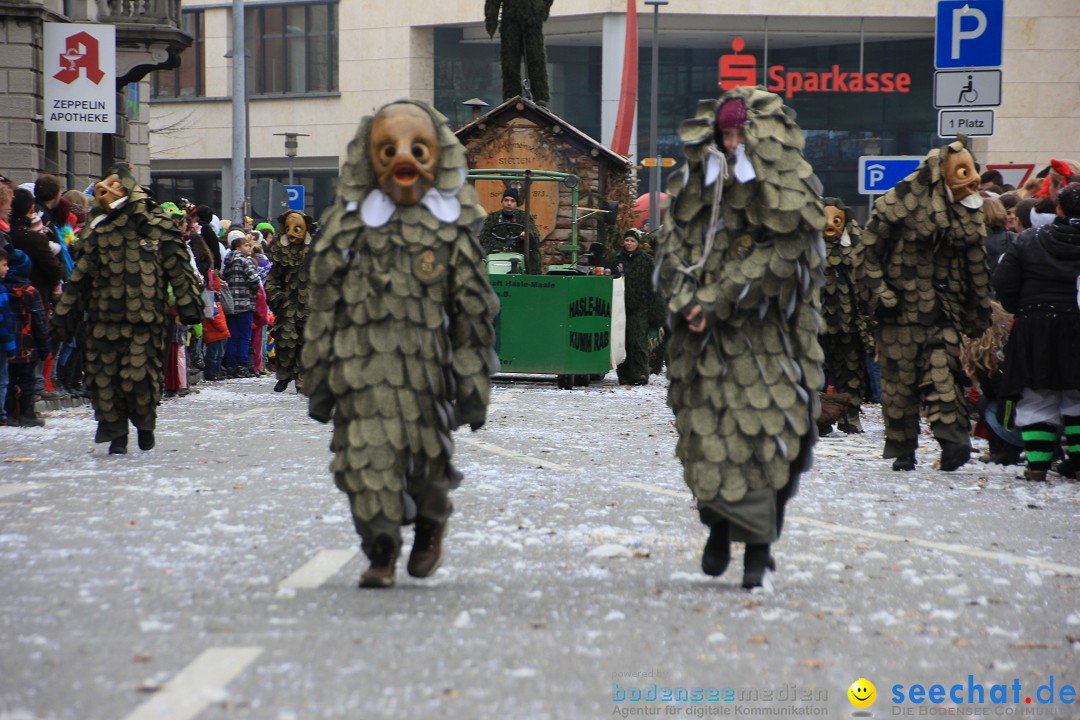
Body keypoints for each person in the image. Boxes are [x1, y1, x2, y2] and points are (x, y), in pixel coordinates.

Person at [303, 100, 499, 588]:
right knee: (363, 461)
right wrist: (318, 379)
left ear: (438, 157)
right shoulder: (347, 230)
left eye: (417, 149)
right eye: (388, 150)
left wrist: (473, 386)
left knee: (426, 462)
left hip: (425, 377)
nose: (402, 159)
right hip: (359, 376)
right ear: (370, 159)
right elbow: (324, 309)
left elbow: (473, 315)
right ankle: (381, 550)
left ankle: (430, 526)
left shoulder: (449, 232)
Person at [655, 87, 826, 589]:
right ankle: (718, 525)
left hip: (767, 339)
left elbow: (783, 255)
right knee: (708, 442)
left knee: (766, 442)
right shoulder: (697, 187)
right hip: (703, 347)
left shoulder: (791, 191)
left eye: (739, 135)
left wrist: (718, 300)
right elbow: (675, 244)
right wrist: (687, 300)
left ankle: (757, 549)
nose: (731, 145)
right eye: (724, 135)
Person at [855, 137, 991, 472]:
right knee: (899, 385)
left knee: (944, 377)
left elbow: (976, 268)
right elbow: (867, 255)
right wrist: (881, 294)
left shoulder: (970, 212)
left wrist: (977, 312)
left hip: (944, 313)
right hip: (898, 315)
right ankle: (903, 449)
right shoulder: (897, 203)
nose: (970, 179)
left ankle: (953, 440)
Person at [51, 166, 203, 454]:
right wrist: (63, 320)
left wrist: (189, 305)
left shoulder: (156, 222)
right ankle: (116, 432)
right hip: (101, 319)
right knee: (104, 379)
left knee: (139, 376)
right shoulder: (98, 225)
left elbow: (178, 267)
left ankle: (145, 423)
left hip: (144, 319)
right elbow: (80, 277)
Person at [991, 182, 1080, 481]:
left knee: (1037, 397)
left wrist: (1024, 307)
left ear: (1058, 209)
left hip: (1035, 325)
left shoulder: (1028, 240)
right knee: (1077, 398)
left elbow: (1003, 283)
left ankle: (1038, 467)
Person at [820, 197, 873, 433]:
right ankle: (817, 416)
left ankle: (849, 415)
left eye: (836, 220)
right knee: (813, 370)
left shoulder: (855, 248)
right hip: (814, 323)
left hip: (849, 322)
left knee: (850, 369)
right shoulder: (805, 249)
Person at [265, 210, 315, 392]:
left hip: (310, 305)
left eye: (297, 228)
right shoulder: (281, 252)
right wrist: (276, 295)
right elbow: (273, 278)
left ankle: (302, 378)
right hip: (288, 304)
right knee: (285, 340)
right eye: (288, 228)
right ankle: (284, 375)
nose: (292, 233)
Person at [3, 249, 49, 426]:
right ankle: (27, 413)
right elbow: (39, 322)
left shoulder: (3, 289)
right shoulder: (30, 292)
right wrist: (44, 348)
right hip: (27, 344)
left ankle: (9, 412)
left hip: (7, 343)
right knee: (27, 380)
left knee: (9, 379)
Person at [614, 228, 662, 385]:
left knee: (638, 341)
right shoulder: (616, 259)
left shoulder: (646, 261)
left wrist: (656, 312)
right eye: (627, 240)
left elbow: (655, 286)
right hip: (620, 307)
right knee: (622, 341)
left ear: (637, 243)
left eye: (632, 241)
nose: (629, 243)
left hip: (640, 308)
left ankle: (641, 374)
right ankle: (624, 374)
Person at [484, 0, 554, 105]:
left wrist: (542, 10)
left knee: (536, 56)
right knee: (509, 57)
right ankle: (511, 94)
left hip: (532, 15)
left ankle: (540, 95)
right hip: (511, 16)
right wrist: (491, 17)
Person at [221, 230, 261, 378]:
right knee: (245, 336)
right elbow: (254, 279)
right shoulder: (245, 260)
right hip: (245, 303)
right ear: (238, 247)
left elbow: (223, 278)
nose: (249, 248)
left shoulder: (228, 261)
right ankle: (242, 365)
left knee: (232, 335)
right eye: (246, 245)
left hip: (230, 305)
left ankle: (230, 365)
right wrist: (254, 291)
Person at [478, 187, 542, 274]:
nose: (509, 203)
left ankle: (531, 280)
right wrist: (499, 247)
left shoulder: (524, 217)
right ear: (502, 201)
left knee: (532, 255)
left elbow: (534, 233)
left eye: (512, 201)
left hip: (519, 251)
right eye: (506, 200)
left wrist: (527, 234)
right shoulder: (493, 218)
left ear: (516, 203)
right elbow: (484, 237)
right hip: (496, 251)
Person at [0, 247, 14, 425]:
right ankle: (1, 413)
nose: (7, 268)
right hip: (1, 343)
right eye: (4, 265)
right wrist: (10, 345)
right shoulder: (2, 291)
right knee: (2, 378)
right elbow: (4, 322)